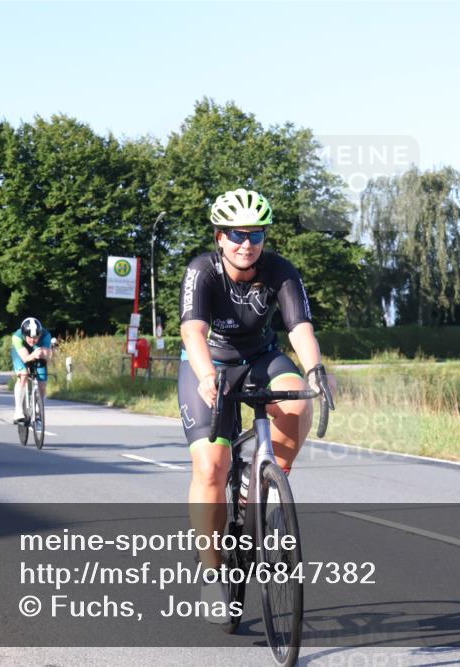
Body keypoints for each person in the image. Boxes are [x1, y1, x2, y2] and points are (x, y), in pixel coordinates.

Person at [178, 188, 333, 622]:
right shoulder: (202, 271)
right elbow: (192, 331)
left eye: (256, 234)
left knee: (298, 402)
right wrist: (208, 375)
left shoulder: (280, 271)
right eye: (236, 234)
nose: (247, 243)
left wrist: (316, 369)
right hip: (210, 363)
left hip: (262, 358)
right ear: (219, 237)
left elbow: (299, 326)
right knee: (211, 466)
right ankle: (212, 572)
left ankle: (267, 483)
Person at [10, 317, 52, 423]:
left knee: (42, 382)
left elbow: (47, 356)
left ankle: (38, 408)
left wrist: (43, 354)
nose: (33, 340)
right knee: (23, 375)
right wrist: (33, 355)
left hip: (38, 352)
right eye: (29, 338)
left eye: (36, 338)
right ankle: (18, 411)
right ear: (24, 335)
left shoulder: (46, 335)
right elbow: (25, 358)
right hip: (20, 353)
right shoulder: (17, 337)